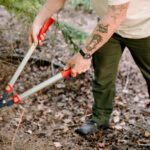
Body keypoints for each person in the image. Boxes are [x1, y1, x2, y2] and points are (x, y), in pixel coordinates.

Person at [29, 0, 150, 135]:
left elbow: (117, 13)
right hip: (108, 28)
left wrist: (84, 54)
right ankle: (100, 119)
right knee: (103, 74)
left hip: (144, 29)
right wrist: (38, 22)